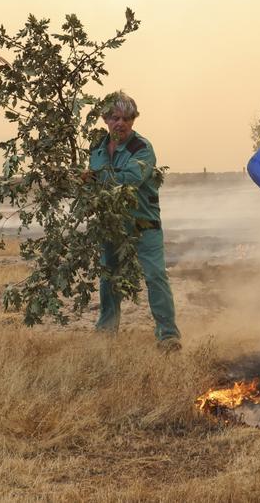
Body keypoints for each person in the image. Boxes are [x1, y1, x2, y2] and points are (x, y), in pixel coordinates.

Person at [87, 92, 182, 352]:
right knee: (109, 278)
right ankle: (106, 332)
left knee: (155, 276)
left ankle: (168, 336)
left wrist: (94, 179)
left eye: (127, 118)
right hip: (111, 223)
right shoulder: (96, 146)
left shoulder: (142, 148)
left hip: (144, 223)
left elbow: (129, 179)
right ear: (105, 119)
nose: (121, 123)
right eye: (115, 117)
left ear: (133, 120)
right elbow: (91, 182)